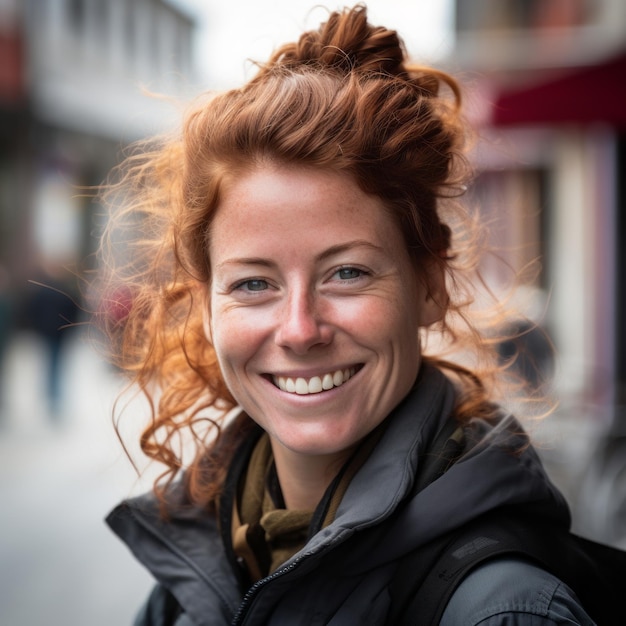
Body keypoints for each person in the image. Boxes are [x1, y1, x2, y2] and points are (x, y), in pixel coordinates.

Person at [99, 5, 609, 624]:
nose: (299, 329)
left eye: (348, 273)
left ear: (428, 283)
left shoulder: (507, 613)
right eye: (254, 283)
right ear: (205, 303)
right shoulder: (193, 579)